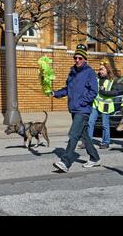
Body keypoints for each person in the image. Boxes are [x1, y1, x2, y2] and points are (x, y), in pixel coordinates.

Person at [51, 44, 100, 172]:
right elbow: (68, 89)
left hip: (82, 110)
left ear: (85, 59)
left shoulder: (89, 72)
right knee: (83, 135)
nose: (77, 60)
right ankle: (94, 157)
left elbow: (94, 91)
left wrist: (82, 103)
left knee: (73, 134)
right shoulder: (72, 72)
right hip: (74, 109)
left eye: (80, 58)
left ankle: (65, 162)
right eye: (75, 58)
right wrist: (55, 93)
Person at [79, 61, 121, 150]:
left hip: (105, 105)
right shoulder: (96, 79)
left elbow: (115, 92)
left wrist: (105, 92)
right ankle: (87, 142)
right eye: (99, 69)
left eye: (102, 69)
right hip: (96, 104)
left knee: (105, 125)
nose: (100, 71)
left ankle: (106, 142)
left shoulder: (112, 81)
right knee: (90, 122)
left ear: (107, 70)